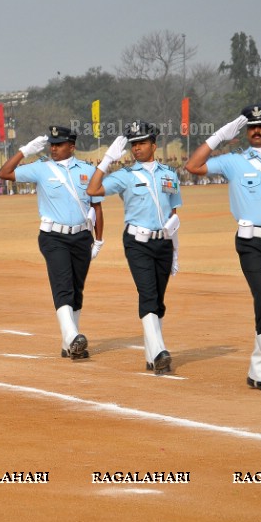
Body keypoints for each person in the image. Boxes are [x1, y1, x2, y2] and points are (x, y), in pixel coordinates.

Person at [185, 103, 261, 397]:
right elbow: (193, 166)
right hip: (252, 243)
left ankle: (258, 370)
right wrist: (218, 137)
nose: (256, 131)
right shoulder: (234, 162)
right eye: (252, 127)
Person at [0, 126, 104, 359]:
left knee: (77, 289)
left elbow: (96, 206)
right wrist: (24, 151)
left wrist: (99, 239)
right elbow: (4, 173)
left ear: (72, 146)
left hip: (82, 236)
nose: (53, 148)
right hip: (53, 237)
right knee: (63, 284)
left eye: (59, 144)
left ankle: (69, 344)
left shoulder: (88, 170)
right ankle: (73, 336)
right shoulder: (41, 169)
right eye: (52, 145)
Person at [86, 121, 182, 375]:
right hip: (137, 242)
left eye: (141, 143)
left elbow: (173, 214)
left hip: (163, 242)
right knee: (148, 292)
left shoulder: (169, 174)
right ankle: (160, 350)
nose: (136, 148)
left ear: (154, 144)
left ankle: (152, 356)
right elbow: (93, 189)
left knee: (158, 299)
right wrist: (107, 160)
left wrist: (175, 249)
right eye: (133, 144)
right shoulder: (124, 176)